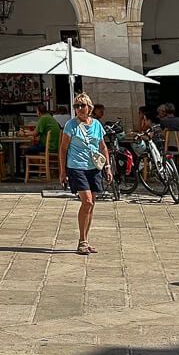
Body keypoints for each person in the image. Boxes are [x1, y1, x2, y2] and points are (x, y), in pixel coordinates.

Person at [59, 92, 112, 255]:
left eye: (82, 105)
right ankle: (82, 240)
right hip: (76, 167)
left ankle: (85, 240)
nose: (79, 109)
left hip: (94, 167)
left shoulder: (97, 124)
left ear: (90, 108)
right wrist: (62, 171)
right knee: (87, 201)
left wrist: (108, 166)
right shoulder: (70, 125)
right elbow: (63, 149)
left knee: (92, 204)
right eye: (76, 106)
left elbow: (102, 147)